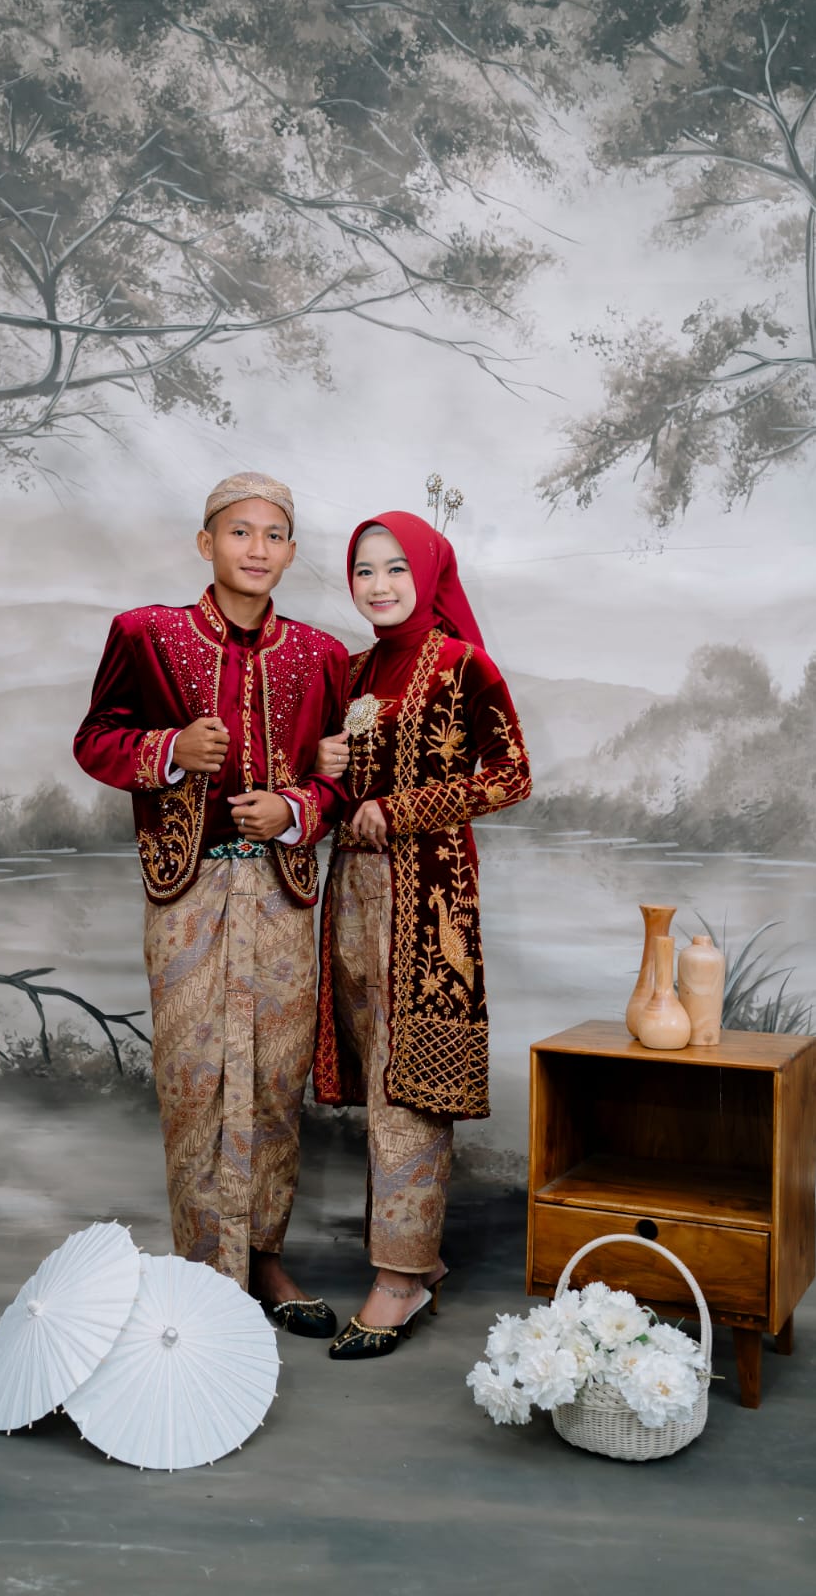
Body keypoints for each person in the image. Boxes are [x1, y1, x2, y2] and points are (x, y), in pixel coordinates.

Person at [73, 472, 349, 1337]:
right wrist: (170, 749)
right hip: (187, 890)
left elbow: (340, 778)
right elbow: (94, 740)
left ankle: (263, 1258)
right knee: (193, 1079)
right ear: (206, 543)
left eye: (273, 535)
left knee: (274, 1079)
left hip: (281, 893)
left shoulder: (322, 656)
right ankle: (202, 1272)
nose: (256, 549)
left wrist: (294, 810)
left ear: (291, 552)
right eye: (238, 532)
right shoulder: (145, 635)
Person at [312, 511, 532, 1359]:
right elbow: (330, 790)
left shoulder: (463, 664)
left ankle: (399, 1280)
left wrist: (404, 809)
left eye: (396, 567)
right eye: (364, 570)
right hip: (351, 895)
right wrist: (323, 770)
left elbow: (511, 775)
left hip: (430, 901)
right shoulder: (351, 670)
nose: (378, 585)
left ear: (430, 572)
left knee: (409, 1083)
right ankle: (418, 1257)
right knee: (375, 1074)